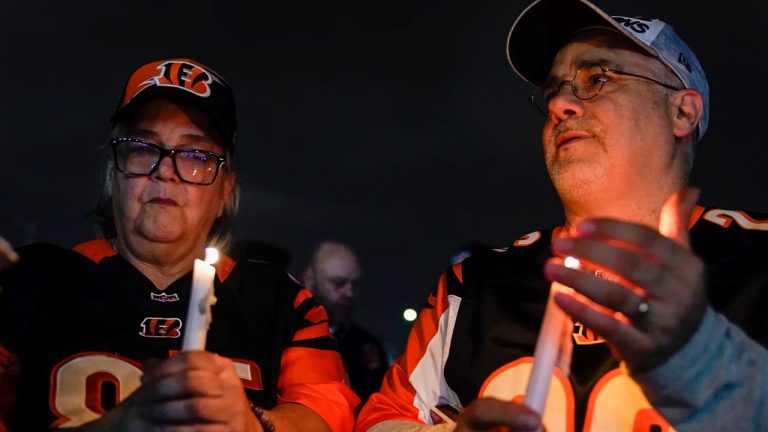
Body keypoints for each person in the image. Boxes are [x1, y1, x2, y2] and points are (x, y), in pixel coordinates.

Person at [355, 1, 768, 431]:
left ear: (683, 111)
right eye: (554, 90)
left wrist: (704, 361)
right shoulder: (479, 284)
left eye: (598, 79)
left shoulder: (755, 261)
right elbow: (383, 419)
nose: (561, 105)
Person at [0, 58, 358, 431]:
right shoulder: (26, 282)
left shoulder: (282, 303)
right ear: (113, 173)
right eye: (143, 147)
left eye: (196, 156)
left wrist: (251, 426)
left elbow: (328, 413)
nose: (166, 171)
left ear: (225, 192)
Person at [303, 241, 390, 403]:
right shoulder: (287, 335)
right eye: (338, 283)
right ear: (310, 279)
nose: (349, 293)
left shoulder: (368, 346)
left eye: (355, 285)